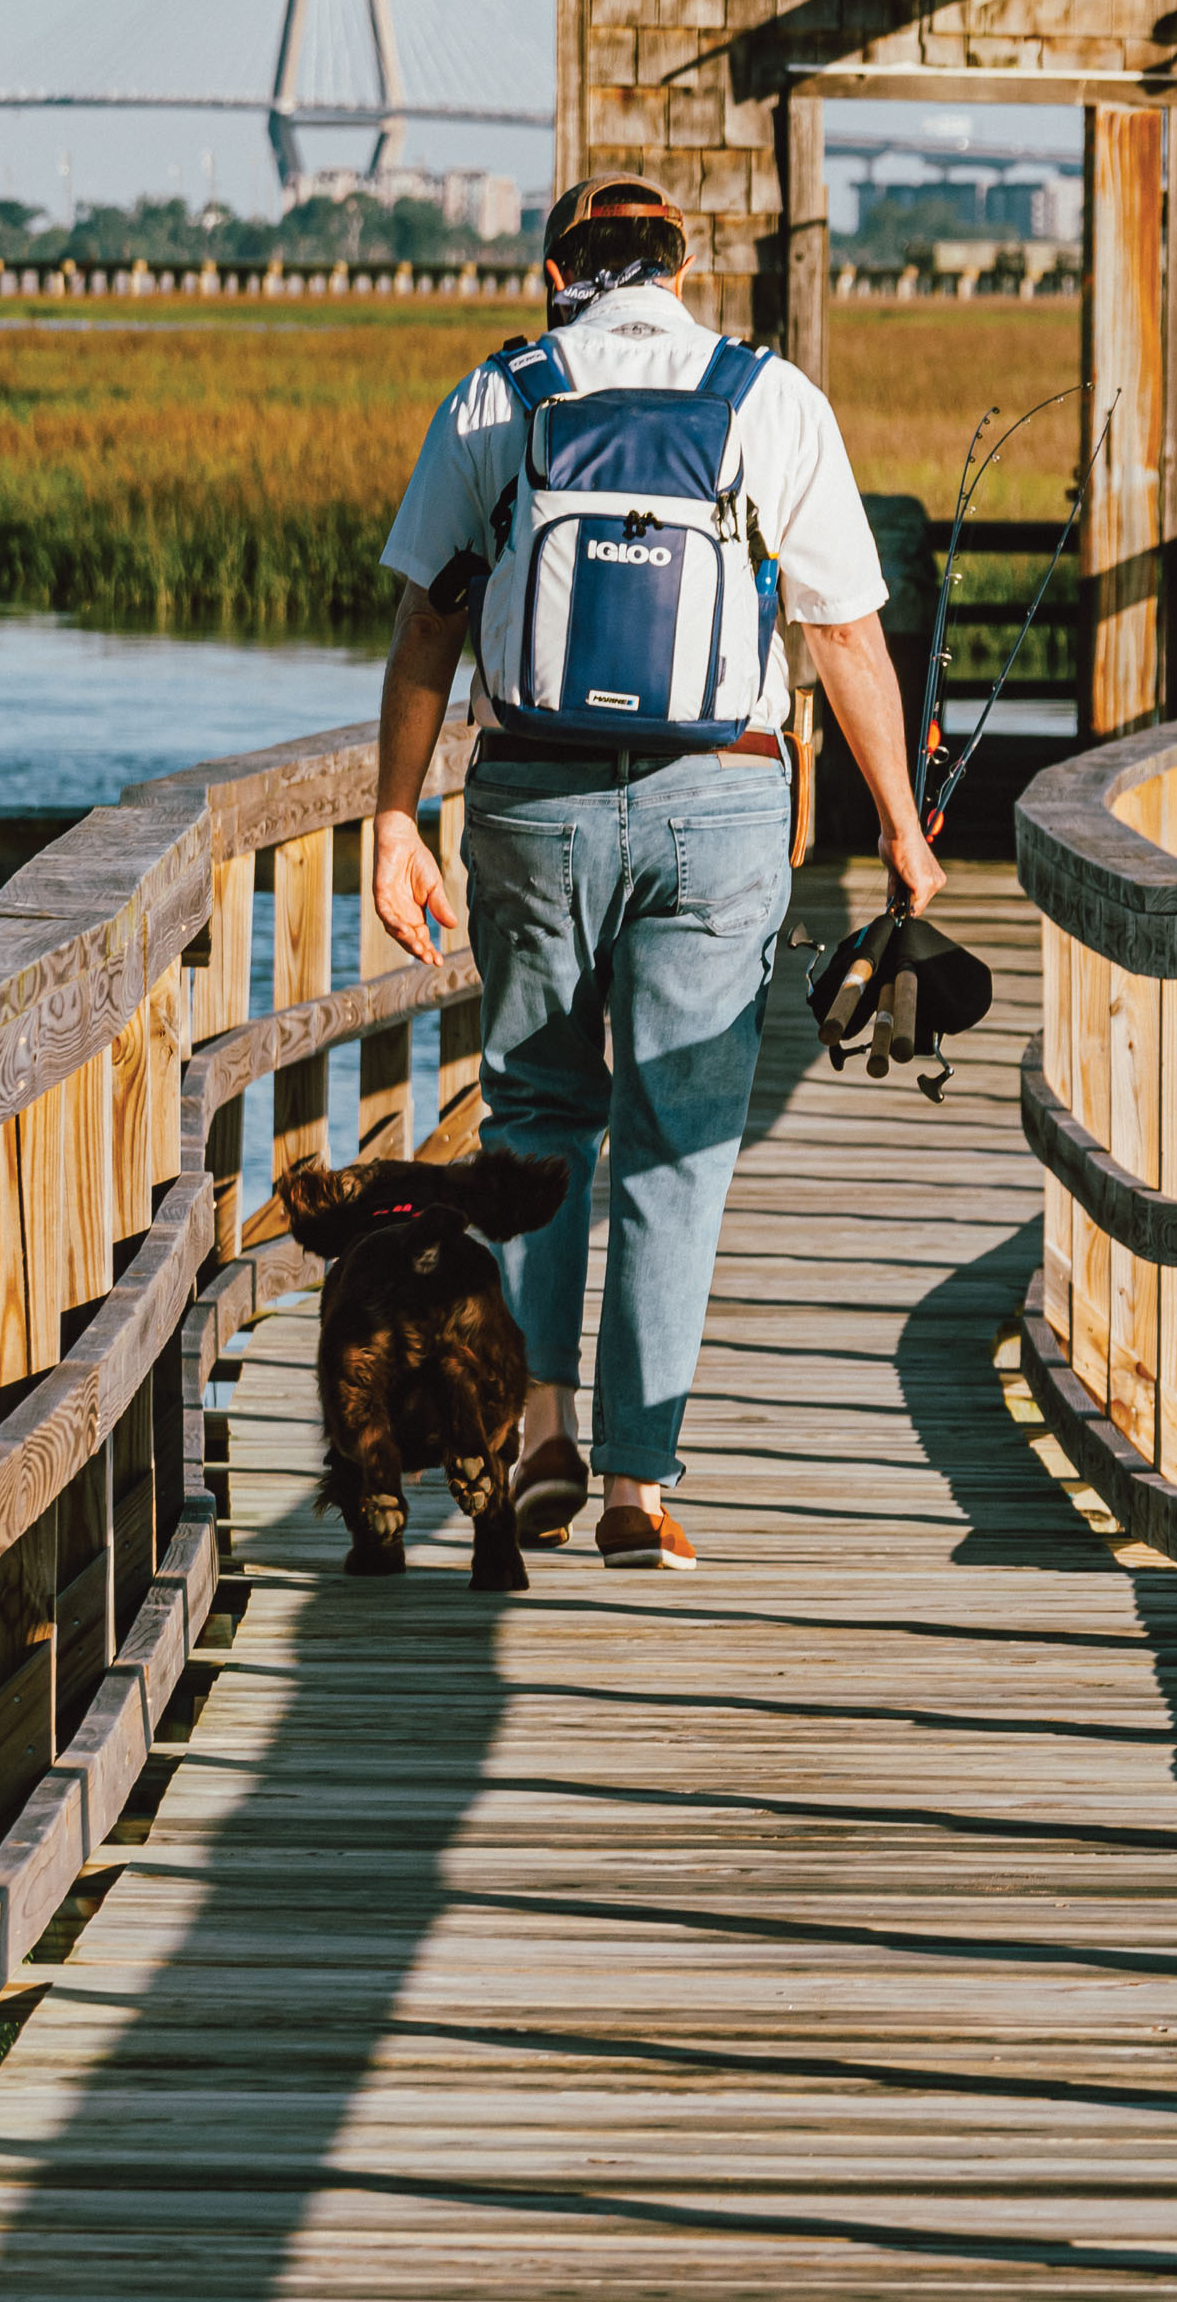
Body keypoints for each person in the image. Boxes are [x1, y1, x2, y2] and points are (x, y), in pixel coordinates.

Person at [363, 175, 941, 1572]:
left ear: (557, 271)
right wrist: (903, 833)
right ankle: (637, 1488)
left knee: (536, 1124)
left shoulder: (499, 398)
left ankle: (542, 1436)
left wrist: (394, 819)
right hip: (720, 809)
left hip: (532, 804)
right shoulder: (767, 398)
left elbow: (428, 629)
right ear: (682, 272)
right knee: (676, 1147)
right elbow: (846, 639)